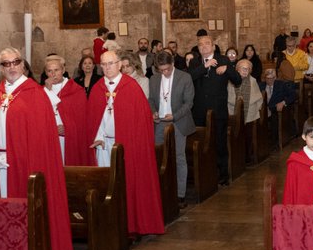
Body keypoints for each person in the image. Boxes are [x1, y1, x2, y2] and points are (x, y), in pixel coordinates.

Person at [0, 48, 75, 250]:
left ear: (23, 65)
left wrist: (26, 162)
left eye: (15, 62)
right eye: (6, 64)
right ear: (1, 68)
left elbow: (41, 141)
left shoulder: (35, 94)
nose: (11, 67)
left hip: (25, 165)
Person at [88, 52, 165, 236]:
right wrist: (98, 135)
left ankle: (130, 223)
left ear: (119, 65)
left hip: (127, 147)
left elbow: (141, 121)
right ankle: (109, 222)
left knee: (127, 184)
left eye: (111, 63)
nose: (107, 67)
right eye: (103, 64)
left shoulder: (131, 87)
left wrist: (131, 141)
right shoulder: (97, 88)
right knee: (106, 185)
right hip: (103, 146)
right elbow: (93, 118)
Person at [189, 35, 241, 185]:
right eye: (200, 44)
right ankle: (205, 175)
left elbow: (237, 80)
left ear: (213, 46)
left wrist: (228, 69)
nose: (204, 46)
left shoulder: (223, 60)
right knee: (201, 144)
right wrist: (204, 66)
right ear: (198, 48)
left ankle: (223, 175)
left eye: (207, 43)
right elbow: (188, 78)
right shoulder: (194, 62)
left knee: (219, 144)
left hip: (218, 110)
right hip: (199, 111)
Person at [149, 50, 196, 207]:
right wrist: (153, 112)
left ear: (173, 64)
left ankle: (180, 195)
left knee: (179, 157)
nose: (165, 72)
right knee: (158, 157)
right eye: (161, 70)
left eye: (167, 69)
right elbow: (151, 99)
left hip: (178, 122)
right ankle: (159, 192)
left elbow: (188, 103)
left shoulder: (185, 77)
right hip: (160, 123)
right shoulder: (154, 79)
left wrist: (174, 116)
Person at [43, 55, 89, 166]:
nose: (53, 74)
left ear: (63, 70)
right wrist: (47, 91)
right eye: (49, 71)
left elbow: (82, 120)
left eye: (56, 70)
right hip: (49, 138)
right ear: (46, 73)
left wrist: (68, 128)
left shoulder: (75, 90)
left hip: (67, 139)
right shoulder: (41, 91)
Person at [229, 58, 263, 125]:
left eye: (248, 69)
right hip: (232, 112)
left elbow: (259, 99)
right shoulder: (230, 80)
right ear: (237, 69)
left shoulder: (253, 81)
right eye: (243, 68)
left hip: (250, 114)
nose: (245, 70)